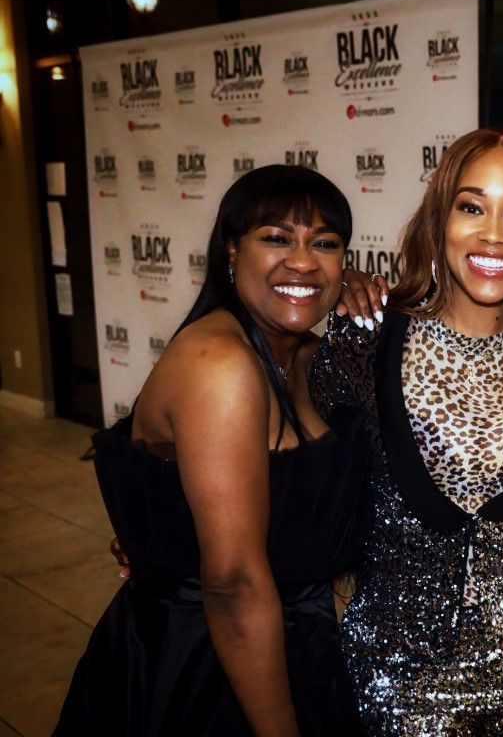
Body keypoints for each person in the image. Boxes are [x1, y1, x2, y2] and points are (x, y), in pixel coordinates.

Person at [54, 165, 371, 736]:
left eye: (324, 244)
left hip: (297, 645)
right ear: (231, 251)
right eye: (276, 238)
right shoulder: (221, 366)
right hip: (209, 669)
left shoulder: (304, 355)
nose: (302, 260)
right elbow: (232, 584)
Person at [308, 128, 503, 736]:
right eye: (471, 207)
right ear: (439, 219)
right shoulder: (363, 337)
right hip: (399, 678)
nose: (493, 232)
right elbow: (289, 460)